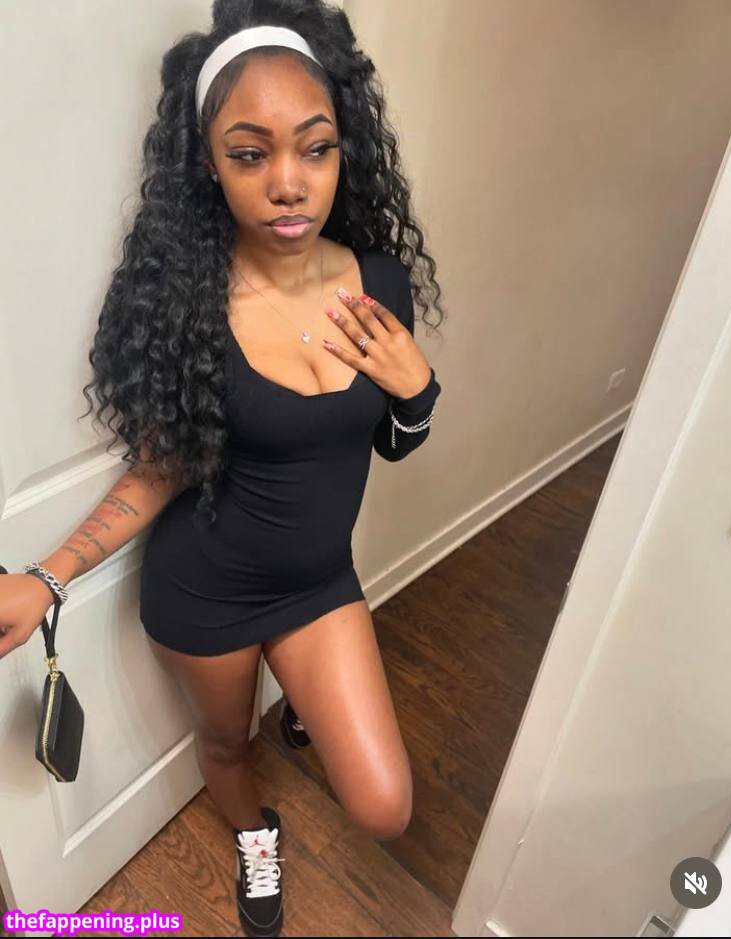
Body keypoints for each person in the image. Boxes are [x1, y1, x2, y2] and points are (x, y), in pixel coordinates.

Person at [0, 1, 445, 935]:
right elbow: (158, 469)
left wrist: (418, 392)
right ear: (209, 162)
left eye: (314, 149)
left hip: (319, 583)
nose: (288, 183)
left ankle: (306, 699)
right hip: (204, 592)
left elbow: (390, 442)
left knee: (384, 805)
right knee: (227, 741)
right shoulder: (193, 307)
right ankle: (254, 832)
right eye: (250, 154)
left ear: (343, 150)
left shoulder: (380, 284)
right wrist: (49, 576)